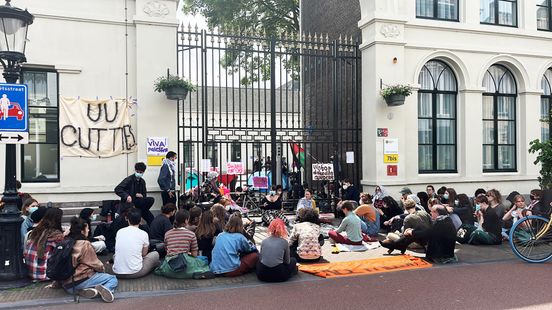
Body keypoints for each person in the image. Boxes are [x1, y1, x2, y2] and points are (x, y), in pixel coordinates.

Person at [61, 218, 117, 303]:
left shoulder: (64, 242)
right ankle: (105, 290)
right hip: (81, 279)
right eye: (87, 228)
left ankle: (82, 291)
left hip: (67, 285)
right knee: (112, 279)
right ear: (82, 231)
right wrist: (102, 270)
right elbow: (95, 264)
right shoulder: (85, 244)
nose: (89, 230)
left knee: (88, 283)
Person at [393, 205, 457, 263]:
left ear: (436, 213)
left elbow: (428, 233)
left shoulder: (443, 223)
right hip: (443, 251)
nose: (430, 213)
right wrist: (412, 231)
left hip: (440, 255)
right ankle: (398, 244)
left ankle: (397, 244)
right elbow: (430, 231)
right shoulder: (445, 219)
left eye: (431, 212)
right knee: (418, 229)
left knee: (416, 233)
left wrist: (411, 232)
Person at [112, 208, 160, 278]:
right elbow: (144, 254)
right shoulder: (143, 234)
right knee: (155, 254)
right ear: (140, 220)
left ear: (127, 219)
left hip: (117, 272)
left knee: (115, 255)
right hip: (136, 272)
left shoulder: (119, 232)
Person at [24, 208, 64, 281]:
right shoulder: (55, 234)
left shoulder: (36, 230)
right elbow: (62, 251)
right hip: (44, 274)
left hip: (30, 271)